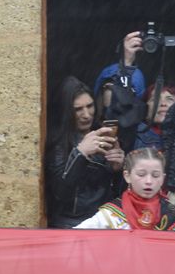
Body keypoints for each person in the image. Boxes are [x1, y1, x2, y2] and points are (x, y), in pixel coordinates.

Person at [43, 76, 120, 228]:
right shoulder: (58, 142)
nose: (86, 114)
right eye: (78, 109)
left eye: (90, 106)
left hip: (102, 220)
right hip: (70, 224)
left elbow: (115, 193)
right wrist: (80, 154)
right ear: (66, 111)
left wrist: (117, 169)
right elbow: (60, 193)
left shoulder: (101, 133)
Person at [75, 147, 175, 232]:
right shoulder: (113, 213)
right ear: (127, 176)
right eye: (141, 174)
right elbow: (77, 235)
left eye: (155, 175)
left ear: (163, 178)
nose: (149, 181)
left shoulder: (172, 216)